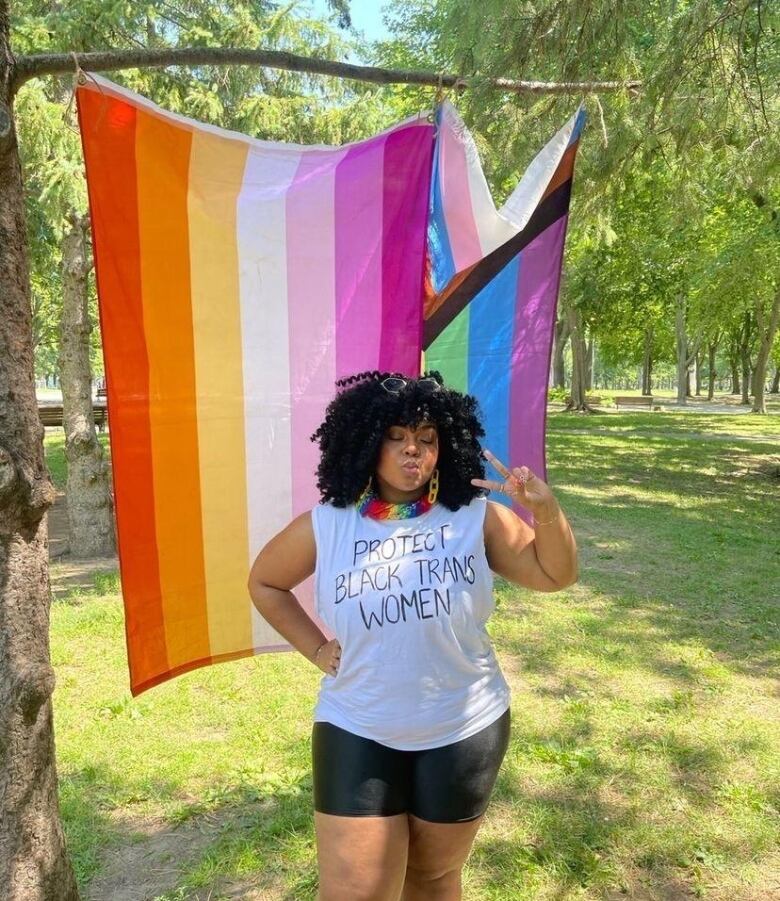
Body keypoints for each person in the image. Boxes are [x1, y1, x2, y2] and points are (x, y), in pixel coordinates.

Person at [248, 371, 578, 901]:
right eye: (397, 437)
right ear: (366, 442)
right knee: (355, 892)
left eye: (427, 440)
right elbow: (264, 582)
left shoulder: (474, 518)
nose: (413, 451)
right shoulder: (330, 524)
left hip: (463, 725)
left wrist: (545, 511)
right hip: (358, 722)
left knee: (431, 879)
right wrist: (315, 647)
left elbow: (555, 574)